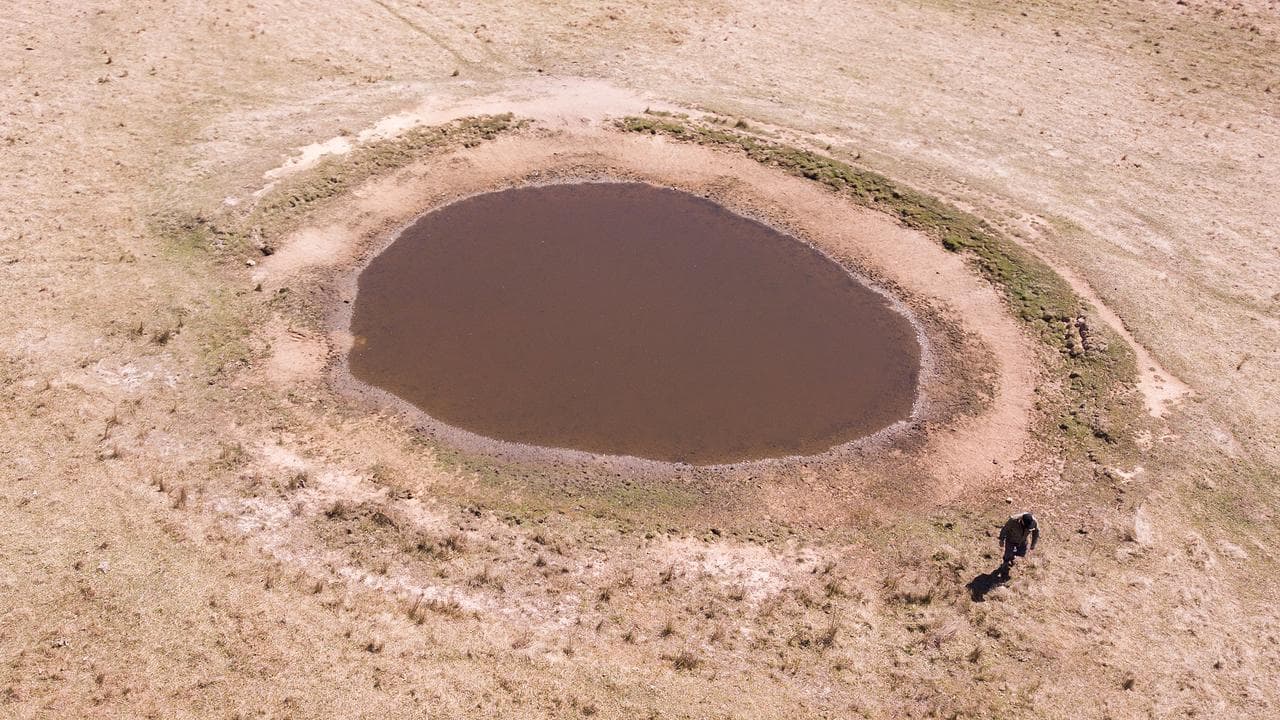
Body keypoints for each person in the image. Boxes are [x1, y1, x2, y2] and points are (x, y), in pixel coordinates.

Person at [997, 512, 1039, 579]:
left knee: (1022, 553)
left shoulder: (1034, 522)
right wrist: (1001, 539)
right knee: (1008, 553)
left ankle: (1012, 556)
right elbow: (1005, 529)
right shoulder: (1013, 520)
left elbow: (1036, 532)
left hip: (1023, 540)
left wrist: (1033, 544)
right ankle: (1005, 563)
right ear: (1021, 520)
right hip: (1011, 539)